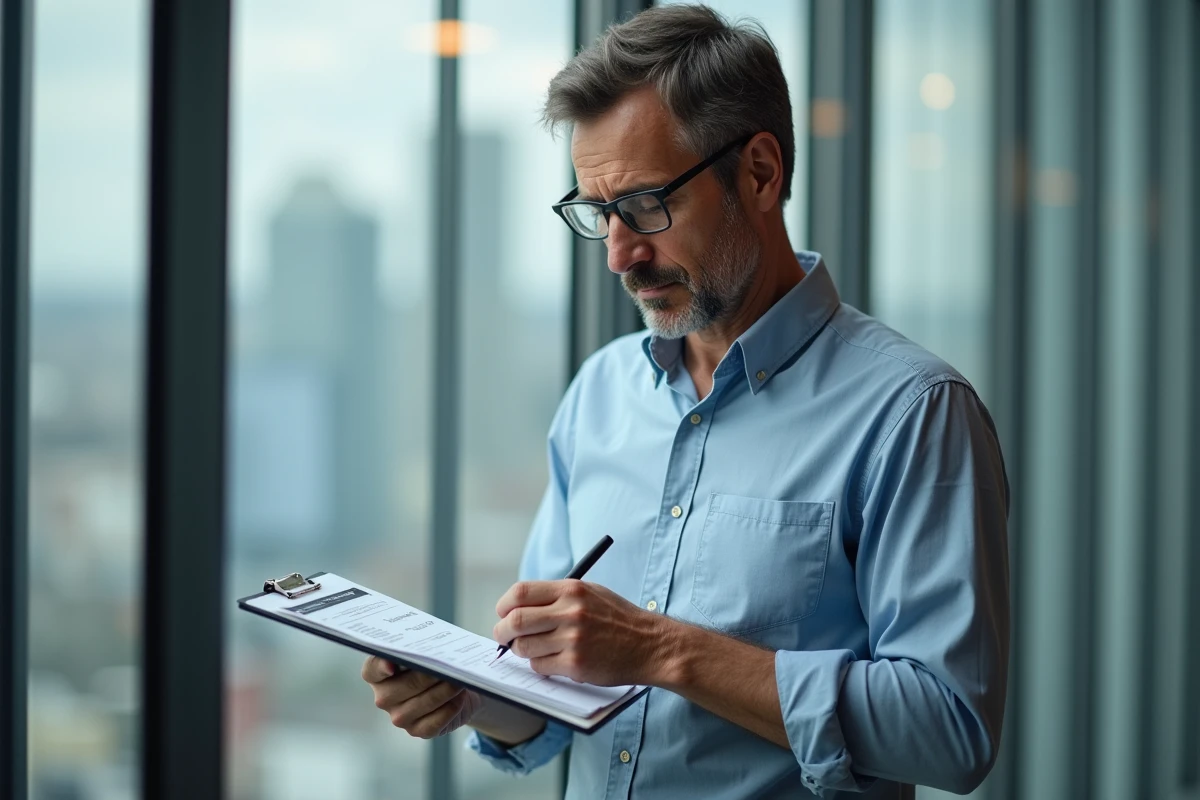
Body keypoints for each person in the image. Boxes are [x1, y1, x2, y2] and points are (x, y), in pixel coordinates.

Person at [361, 5, 1009, 797]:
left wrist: (662, 650)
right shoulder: (599, 394)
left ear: (761, 172)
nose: (620, 256)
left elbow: (950, 729)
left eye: (644, 206)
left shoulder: (914, 413)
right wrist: (476, 698)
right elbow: (557, 698)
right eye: (599, 215)